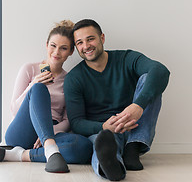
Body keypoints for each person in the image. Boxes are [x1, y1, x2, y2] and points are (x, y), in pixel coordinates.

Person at [0, 20, 93, 173]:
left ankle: (17, 155)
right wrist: (32, 85)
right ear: (46, 45)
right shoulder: (29, 69)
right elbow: (14, 109)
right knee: (39, 88)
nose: (56, 52)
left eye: (63, 48)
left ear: (71, 52)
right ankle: (50, 149)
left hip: (51, 133)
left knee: (84, 147)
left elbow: (67, 120)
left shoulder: (70, 80)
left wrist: (47, 134)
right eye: (53, 46)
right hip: (23, 130)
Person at [64, 19, 170, 181]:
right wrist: (104, 126)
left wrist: (138, 106)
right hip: (104, 131)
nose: (86, 46)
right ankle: (113, 167)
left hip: (135, 126)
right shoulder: (74, 78)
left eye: (90, 39)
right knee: (102, 145)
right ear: (77, 47)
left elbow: (161, 71)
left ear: (102, 38)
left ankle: (133, 148)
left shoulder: (126, 58)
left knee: (151, 79)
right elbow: (77, 122)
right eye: (79, 42)